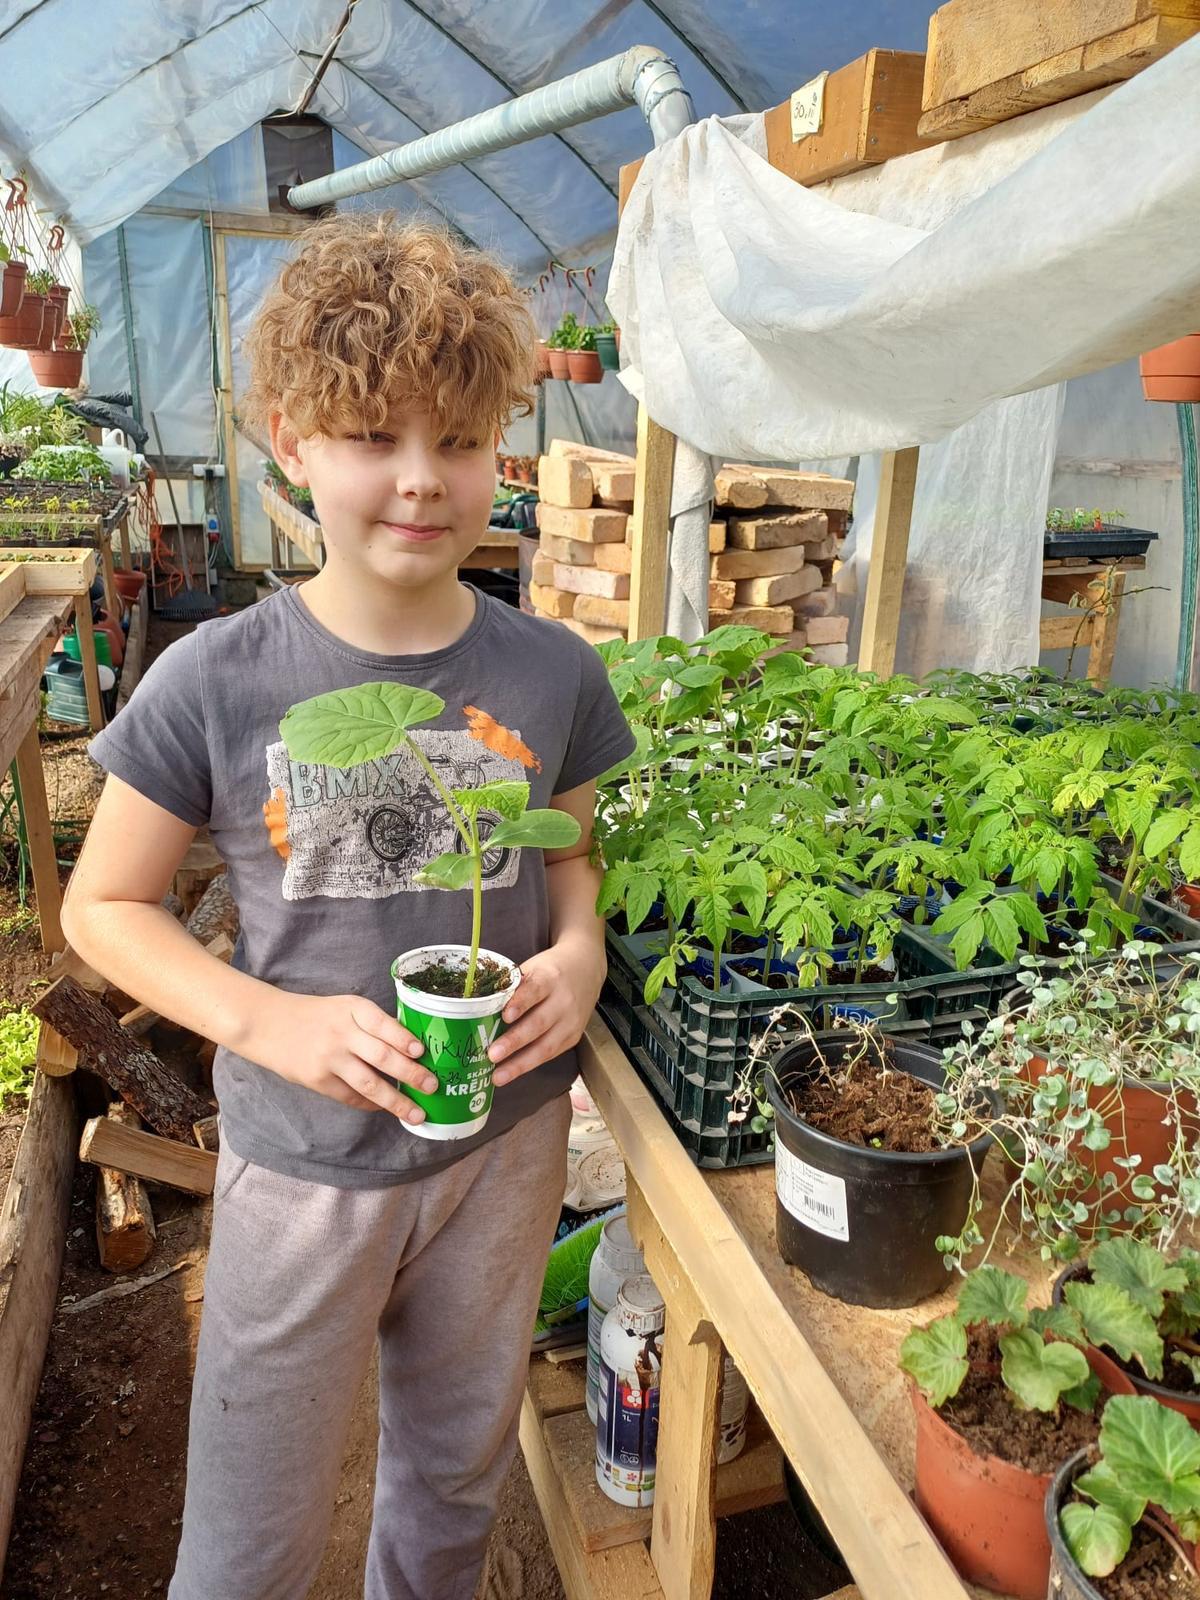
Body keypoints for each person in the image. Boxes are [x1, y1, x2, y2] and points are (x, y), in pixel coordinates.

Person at [63, 213, 635, 1600]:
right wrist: (273, 1024)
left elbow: (571, 855)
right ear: (293, 443)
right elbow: (104, 907)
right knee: (250, 1530)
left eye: (462, 439)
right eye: (376, 437)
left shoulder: (553, 669)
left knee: (452, 1481)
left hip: (504, 1144)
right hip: (305, 1167)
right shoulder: (215, 677)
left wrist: (578, 951)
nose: (422, 478)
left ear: (502, 450)